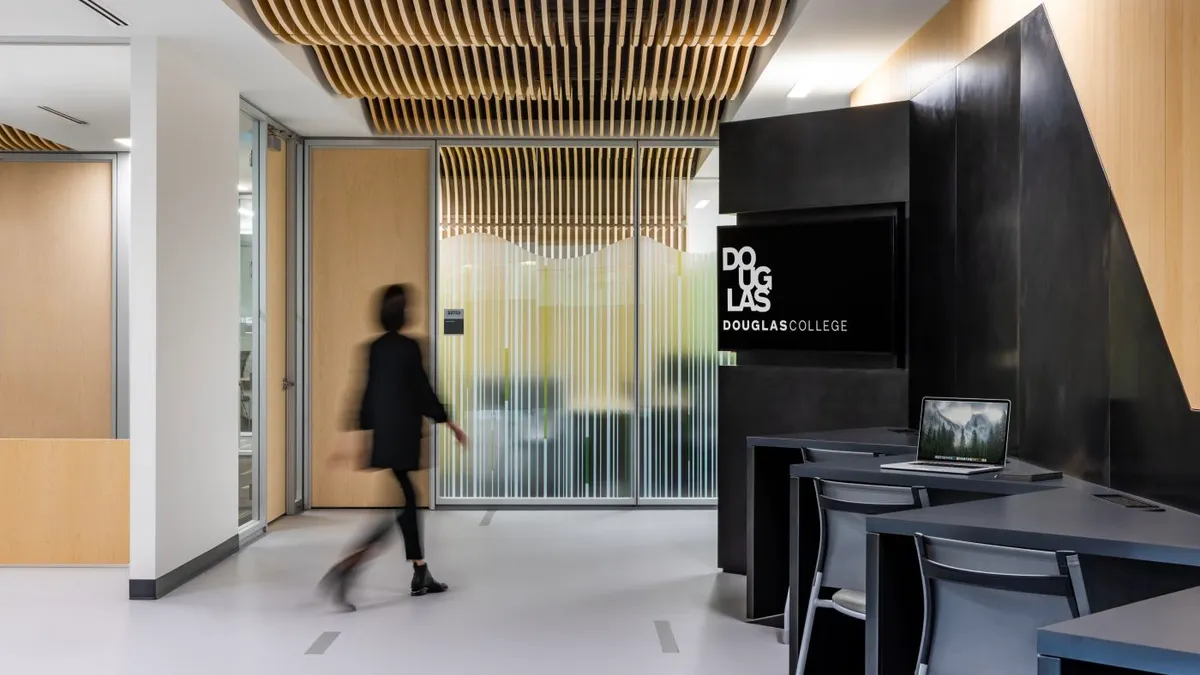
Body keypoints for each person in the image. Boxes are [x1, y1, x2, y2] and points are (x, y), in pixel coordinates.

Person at [319, 283, 467, 612]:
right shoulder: (411, 347)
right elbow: (423, 391)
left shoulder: (373, 349)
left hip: (385, 437)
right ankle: (347, 569)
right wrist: (449, 422)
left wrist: (354, 438)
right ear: (403, 314)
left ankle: (420, 571)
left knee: (407, 503)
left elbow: (364, 394)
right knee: (400, 509)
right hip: (403, 438)